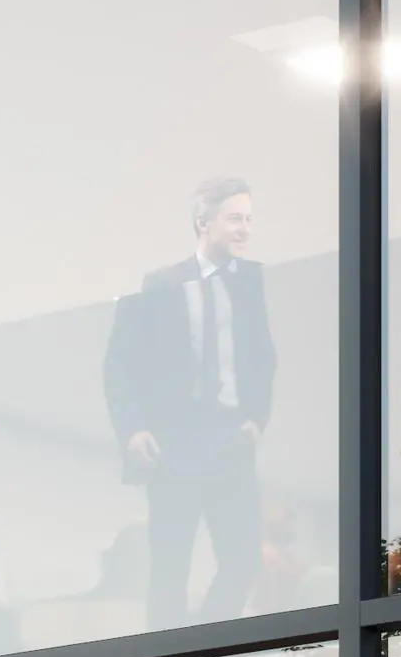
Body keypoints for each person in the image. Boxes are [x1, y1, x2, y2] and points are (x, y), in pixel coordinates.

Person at [103, 177, 277, 629]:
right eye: (235, 218)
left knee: (243, 558)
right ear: (203, 222)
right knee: (170, 562)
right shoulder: (160, 284)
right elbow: (119, 364)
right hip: (175, 440)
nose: (245, 229)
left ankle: (208, 640)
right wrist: (134, 429)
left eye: (249, 219)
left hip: (230, 439)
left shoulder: (251, 281)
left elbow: (263, 356)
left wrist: (257, 419)